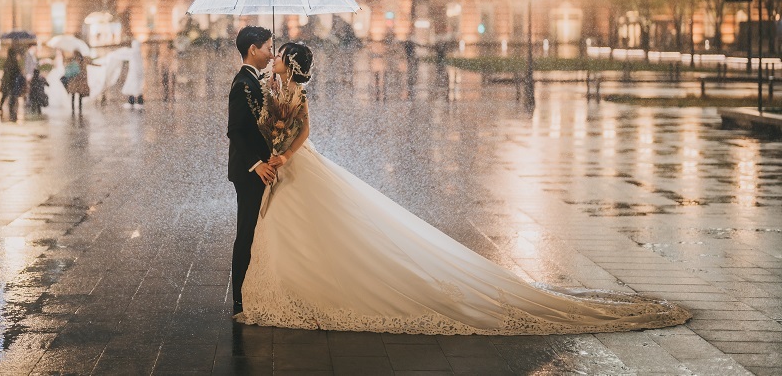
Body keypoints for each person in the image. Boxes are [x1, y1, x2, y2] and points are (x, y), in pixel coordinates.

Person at [235, 41, 691, 335]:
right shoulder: (273, 86)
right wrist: (275, 147)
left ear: (288, 63)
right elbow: (278, 123)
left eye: (278, 54)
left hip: (294, 164)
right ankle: (296, 280)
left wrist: (284, 154)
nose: (273, 56)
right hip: (286, 165)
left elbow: (304, 131)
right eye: (271, 51)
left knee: (310, 223)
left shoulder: (292, 92)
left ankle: (305, 285)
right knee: (302, 226)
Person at [227, 25, 276, 316]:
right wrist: (256, 164)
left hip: (256, 168)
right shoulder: (242, 84)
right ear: (253, 49)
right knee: (245, 232)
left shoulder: (254, 81)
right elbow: (235, 131)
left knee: (253, 230)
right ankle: (239, 299)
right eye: (268, 47)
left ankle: (252, 289)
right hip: (248, 172)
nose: (271, 54)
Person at [0, 47, 25, 115]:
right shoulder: (14, 61)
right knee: (13, 96)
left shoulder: (7, 61)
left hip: (6, 81)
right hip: (12, 81)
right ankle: (11, 109)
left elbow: (6, 71)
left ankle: (1, 106)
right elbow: (16, 71)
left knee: (4, 95)